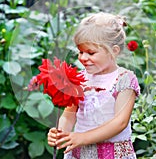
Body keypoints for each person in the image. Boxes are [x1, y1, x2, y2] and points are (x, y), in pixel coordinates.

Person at [47, 12, 140, 159]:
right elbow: (70, 114)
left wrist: (82, 138)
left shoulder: (124, 79)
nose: (83, 58)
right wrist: (60, 132)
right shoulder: (80, 78)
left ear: (114, 51)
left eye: (91, 53)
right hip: (80, 153)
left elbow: (120, 122)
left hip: (112, 154)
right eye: (81, 51)